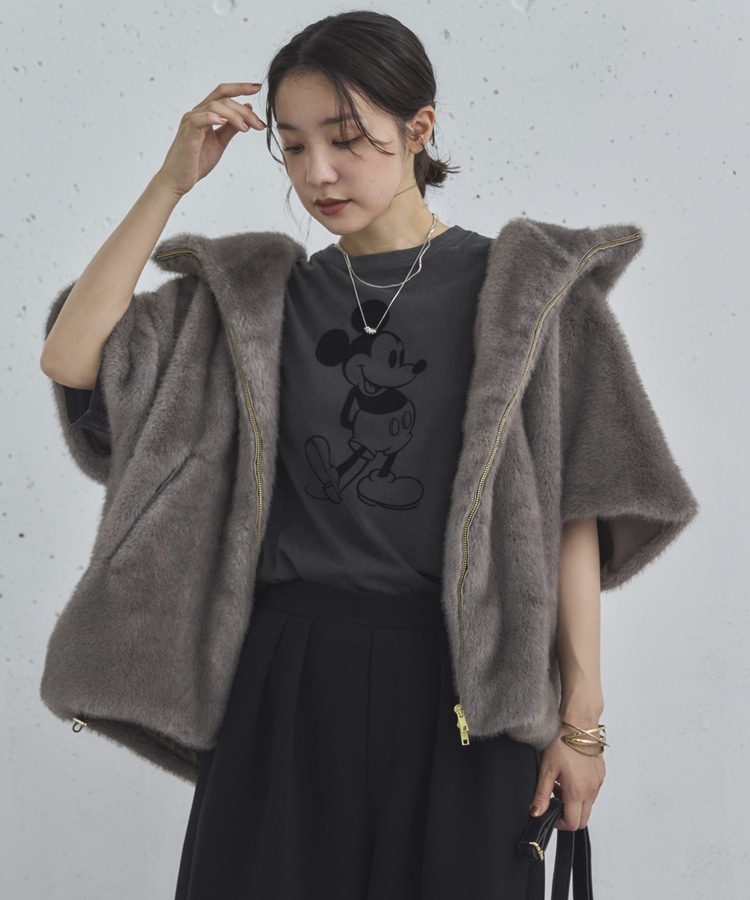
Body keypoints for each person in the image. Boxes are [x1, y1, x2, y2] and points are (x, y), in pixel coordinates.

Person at [39, 10, 698, 900]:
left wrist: (582, 725)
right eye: (293, 145)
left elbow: (574, 511)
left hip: (467, 684)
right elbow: (72, 357)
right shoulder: (255, 302)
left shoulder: (531, 296)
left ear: (419, 128)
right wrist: (169, 184)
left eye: (346, 139)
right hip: (289, 675)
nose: (318, 172)